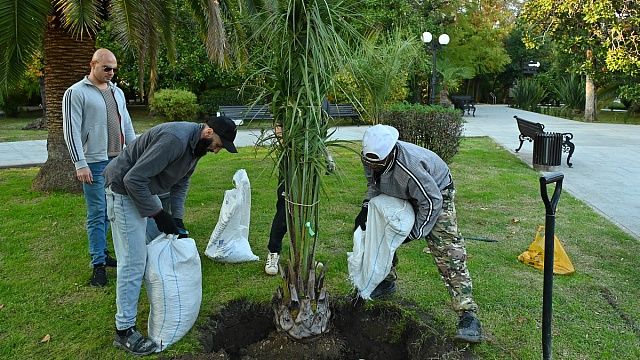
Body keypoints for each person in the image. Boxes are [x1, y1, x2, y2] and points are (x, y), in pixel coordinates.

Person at [104, 116, 238, 355]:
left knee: (154, 248)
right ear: (208, 132)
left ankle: (145, 302)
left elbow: (181, 184)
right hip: (123, 190)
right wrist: (157, 214)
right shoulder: (175, 140)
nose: (217, 151)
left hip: (143, 189)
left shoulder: (197, 148)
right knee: (133, 262)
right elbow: (132, 179)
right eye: (218, 145)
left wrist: (176, 218)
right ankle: (124, 330)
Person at [353, 124, 483, 343]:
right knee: (377, 230)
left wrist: (415, 232)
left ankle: (467, 315)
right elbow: (374, 184)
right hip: (399, 191)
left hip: (436, 193)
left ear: (391, 153)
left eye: (378, 163)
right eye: (370, 162)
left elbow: (432, 203)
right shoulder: (370, 159)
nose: (372, 166)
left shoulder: (410, 167)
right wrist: (367, 208)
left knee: (447, 250)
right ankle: (385, 281)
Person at [62, 48, 136, 287]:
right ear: (93, 64)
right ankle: (98, 265)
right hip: (93, 162)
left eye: (114, 68)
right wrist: (80, 163)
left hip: (120, 160)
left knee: (115, 211)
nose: (111, 72)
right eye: (107, 68)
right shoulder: (75, 93)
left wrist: (135, 152)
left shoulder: (117, 92)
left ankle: (105, 254)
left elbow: (127, 124)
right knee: (97, 213)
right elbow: (70, 130)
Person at [264, 125, 335, 275]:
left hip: (310, 165)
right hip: (291, 163)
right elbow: (279, 126)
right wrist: (292, 153)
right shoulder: (290, 101)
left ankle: (302, 256)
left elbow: (319, 134)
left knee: (306, 209)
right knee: (284, 209)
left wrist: (327, 156)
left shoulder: (323, 104)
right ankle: (273, 252)